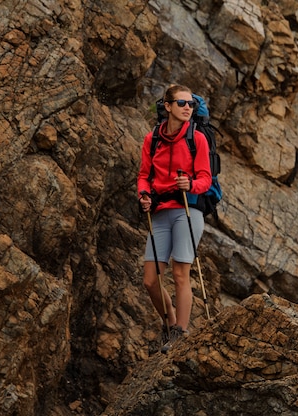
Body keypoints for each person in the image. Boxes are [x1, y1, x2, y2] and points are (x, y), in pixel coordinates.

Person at [137, 85, 211, 353]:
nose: (187, 108)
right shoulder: (152, 139)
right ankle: (169, 322)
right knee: (150, 279)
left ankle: (180, 331)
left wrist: (189, 184)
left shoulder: (197, 139)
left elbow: (205, 178)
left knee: (181, 273)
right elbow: (144, 174)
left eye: (190, 104)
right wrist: (144, 194)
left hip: (187, 210)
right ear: (167, 106)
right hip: (159, 211)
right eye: (181, 103)